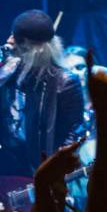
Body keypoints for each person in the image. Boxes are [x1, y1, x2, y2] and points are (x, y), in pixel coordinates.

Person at [0, 10, 84, 175]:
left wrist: (56, 167)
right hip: (8, 161)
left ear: (26, 46)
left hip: (39, 165)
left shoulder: (64, 82)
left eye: (15, 40)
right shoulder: (9, 70)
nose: (11, 44)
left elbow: (74, 131)